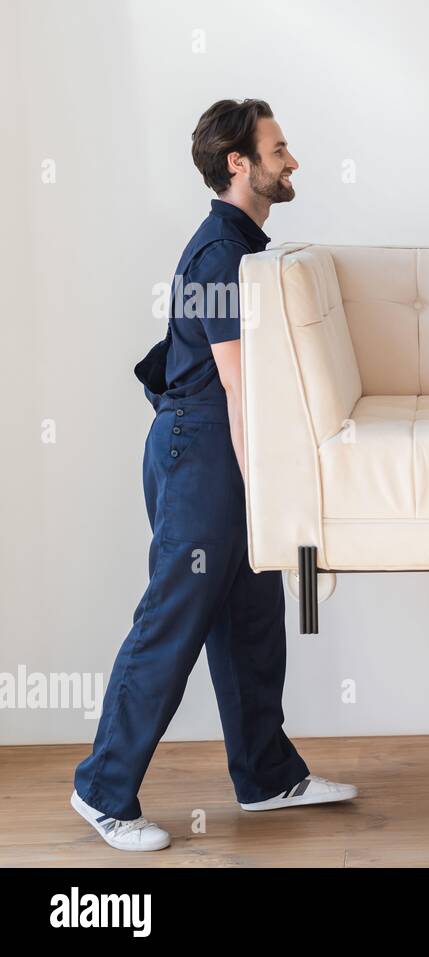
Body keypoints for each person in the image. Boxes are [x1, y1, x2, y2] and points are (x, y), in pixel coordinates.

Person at [71, 99, 356, 851]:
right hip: (200, 452)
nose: (291, 160)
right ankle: (102, 788)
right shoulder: (220, 255)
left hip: (215, 446)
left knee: (252, 619)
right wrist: (265, 482)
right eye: (279, 147)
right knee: (174, 618)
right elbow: (237, 387)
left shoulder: (244, 245)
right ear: (240, 163)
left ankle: (267, 775)